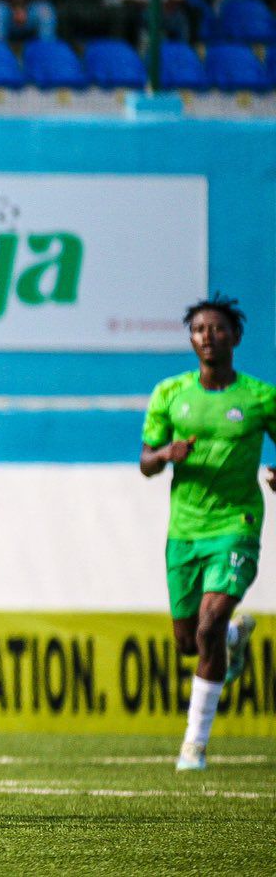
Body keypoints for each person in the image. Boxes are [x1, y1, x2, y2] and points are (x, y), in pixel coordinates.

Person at [140, 296, 274, 772]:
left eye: (218, 329)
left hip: (236, 525)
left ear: (235, 337)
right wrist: (164, 456)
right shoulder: (170, 394)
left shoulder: (260, 397)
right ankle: (233, 639)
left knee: (208, 624)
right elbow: (145, 463)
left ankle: (193, 745)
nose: (208, 336)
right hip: (186, 532)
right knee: (189, 641)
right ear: (191, 338)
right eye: (199, 329)